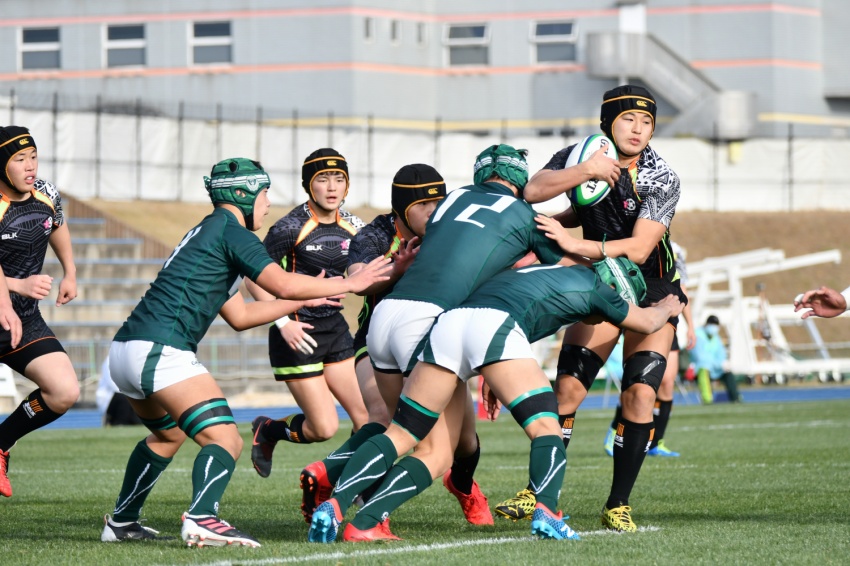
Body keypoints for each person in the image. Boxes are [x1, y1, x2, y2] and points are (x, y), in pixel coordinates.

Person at [99, 158, 392, 547]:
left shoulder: (209, 231)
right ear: (244, 193)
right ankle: (202, 518)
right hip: (160, 348)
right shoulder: (232, 231)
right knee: (227, 440)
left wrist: (313, 294)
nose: (268, 203)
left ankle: (122, 521)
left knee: (167, 437)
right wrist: (350, 282)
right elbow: (282, 284)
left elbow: (239, 315)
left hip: (126, 350)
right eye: (265, 192)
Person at [307, 143, 577, 544]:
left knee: (401, 430)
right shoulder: (522, 213)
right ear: (521, 178)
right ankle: (366, 520)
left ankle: (335, 501)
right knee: (436, 451)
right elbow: (559, 261)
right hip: (429, 322)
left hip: (386, 317)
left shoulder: (453, 202)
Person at [314, 258, 683, 543]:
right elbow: (647, 323)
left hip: (449, 324)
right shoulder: (597, 288)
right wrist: (670, 306)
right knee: (546, 427)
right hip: (494, 330)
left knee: (409, 436)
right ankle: (548, 512)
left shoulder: (541, 271)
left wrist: (491, 369)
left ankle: (344, 511)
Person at [499, 85, 687, 533]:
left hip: (653, 291)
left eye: (647, 122)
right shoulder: (581, 153)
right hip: (600, 284)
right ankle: (537, 491)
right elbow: (533, 189)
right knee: (566, 392)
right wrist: (583, 170)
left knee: (639, 394)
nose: (639, 129)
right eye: (628, 120)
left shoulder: (662, 176)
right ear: (608, 122)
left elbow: (640, 249)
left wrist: (572, 242)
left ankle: (617, 503)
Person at [296, 164, 489, 527]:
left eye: (439, 202)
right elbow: (356, 279)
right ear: (401, 208)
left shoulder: (452, 229)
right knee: (385, 420)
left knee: (464, 443)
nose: (434, 212)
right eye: (424, 205)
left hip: (438, 341)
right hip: (376, 339)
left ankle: (463, 486)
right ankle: (338, 484)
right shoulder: (375, 234)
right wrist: (394, 271)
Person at [248, 148, 372, 486]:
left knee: (369, 418)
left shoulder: (356, 226)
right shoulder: (289, 227)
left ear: (347, 186)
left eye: (339, 179)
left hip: (335, 329)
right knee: (324, 428)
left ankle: (352, 486)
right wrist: (283, 322)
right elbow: (251, 277)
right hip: (297, 332)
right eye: (322, 179)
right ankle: (269, 429)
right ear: (308, 186)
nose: (331, 187)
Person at [0, 125, 79, 499]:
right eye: (19, 159)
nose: (30, 166)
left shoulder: (44, 192)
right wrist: (16, 288)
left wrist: (70, 271)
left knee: (64, 391)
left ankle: (0, 443)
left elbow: (56, 225)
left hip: (23, 320)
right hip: (8, 311)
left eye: (33, 156)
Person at [602, 240, 696, 458]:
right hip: (643, 313)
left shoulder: (676, 250)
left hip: (669, 318)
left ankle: (657, 441)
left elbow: (682, 289)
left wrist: (691, 326)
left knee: (666, 383)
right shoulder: (635, 242)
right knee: (638, 384)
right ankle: (616, 430)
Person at [690, 315, 741, 404]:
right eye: (712, 324)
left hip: (715, 368)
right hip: (699, 368)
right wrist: (718, 363)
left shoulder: (716, 337)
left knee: (728, 373)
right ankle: (707, 399)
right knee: (704, 369)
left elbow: (721, 354)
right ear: (706, 324)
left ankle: (736, 398)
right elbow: (701, 357)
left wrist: (722, 363)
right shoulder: (697, 335)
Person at [96, 356, 141, 426]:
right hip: (112, 398)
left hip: (130, 394)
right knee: (124, 396)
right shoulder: (111, 359)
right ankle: (120, 423)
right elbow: (113, 384)